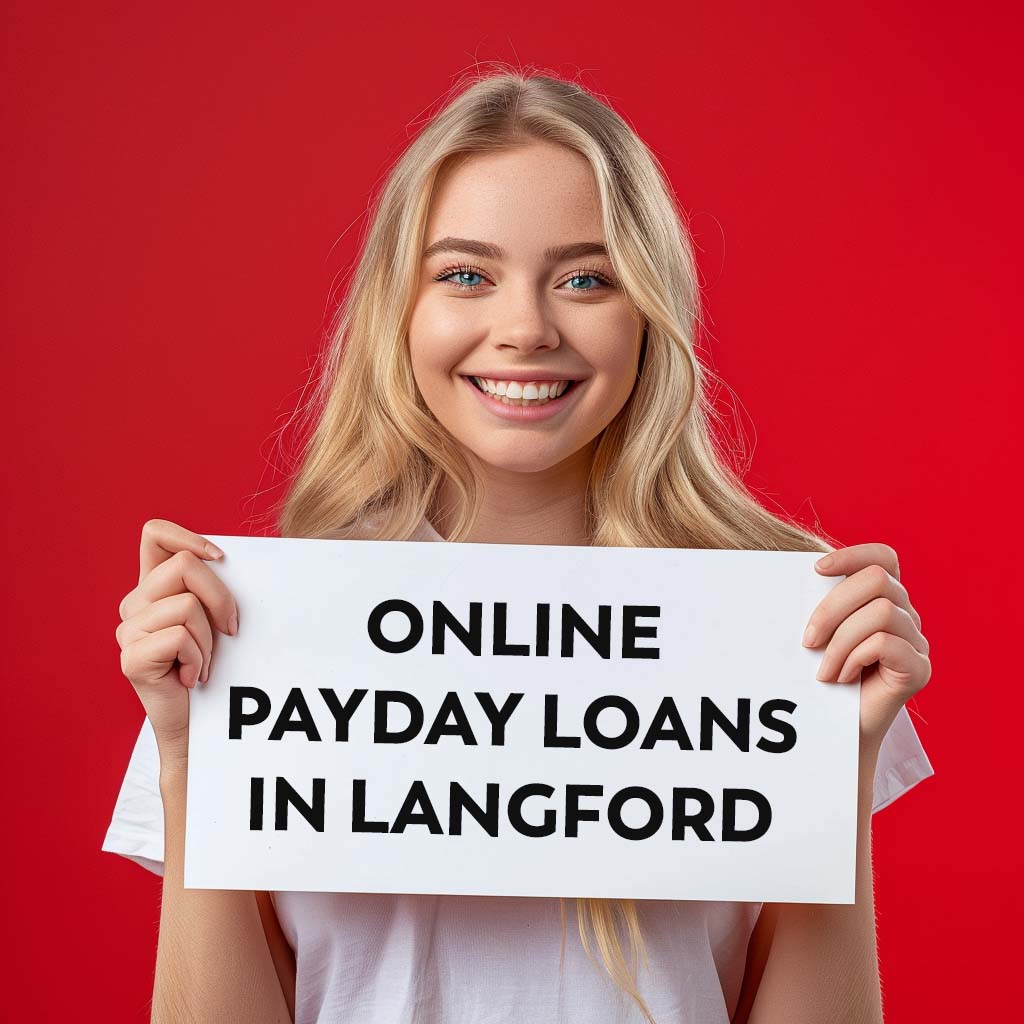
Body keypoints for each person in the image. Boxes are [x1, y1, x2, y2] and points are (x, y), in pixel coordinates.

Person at [104, 69, 935, 1024]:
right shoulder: (254, 629)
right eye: (466, 275)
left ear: (649, 310)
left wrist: (835, 758)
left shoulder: (786, 628)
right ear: (398, 308)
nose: (527, 329)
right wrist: (191, 759)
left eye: (587, 278)